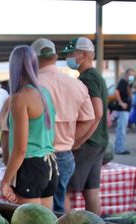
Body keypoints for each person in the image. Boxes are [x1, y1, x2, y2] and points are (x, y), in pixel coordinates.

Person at [31, 37, 95, 213]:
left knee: (36, 213)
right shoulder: (76, 84)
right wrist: (73, 142)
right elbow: (89, 118)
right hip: (65, 155)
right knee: (58, 204)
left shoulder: (30, 85)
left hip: (37, 156)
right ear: (55, 56)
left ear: (33, 59)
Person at [0, 45, 58, 208]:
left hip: (29, 166)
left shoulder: (20, 98)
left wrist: (5, 181)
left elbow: (20, 149)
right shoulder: (45, 93)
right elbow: (54, 135)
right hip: (50, 165)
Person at [62, 37, 107, 216]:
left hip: (88, 142)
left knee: (64, 189)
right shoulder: (96, 76)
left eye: (73, 53)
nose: (70, 57)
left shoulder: (88, 78)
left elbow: (97, 112)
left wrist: (78, 140)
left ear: (86, 55)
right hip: (99, 141)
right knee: (91, 190)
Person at [112, 68, 135, 155]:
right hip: (123, 109)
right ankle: (119, 148)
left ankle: (119, 147)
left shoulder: (128, 83)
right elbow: (116, 91)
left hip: (126, 109)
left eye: (133, 74)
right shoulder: (123, 81)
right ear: (126, 74)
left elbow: (129, 94)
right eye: (130, 74)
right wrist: (121, 102)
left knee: (122, 128)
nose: (132, 76)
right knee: (121, 129)